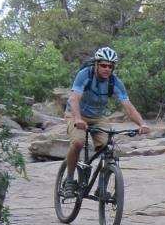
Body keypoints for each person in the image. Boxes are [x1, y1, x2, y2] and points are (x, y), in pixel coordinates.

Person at [63, 46, 149, 191]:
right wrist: (77, 119)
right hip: (76, 113)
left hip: (97, 116)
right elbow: (74, 98)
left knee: (108, 148)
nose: (107, 69)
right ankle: (70, 180)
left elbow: (127, 106)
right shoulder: (85, 75)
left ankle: (102, 186)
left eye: (110, 66)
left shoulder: (114, 82)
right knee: (78, 142)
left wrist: (142, 123)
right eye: (103, 65)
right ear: (96, 64)